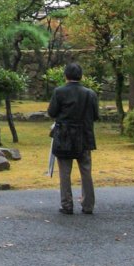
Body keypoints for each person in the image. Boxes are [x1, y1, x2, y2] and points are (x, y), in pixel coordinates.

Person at [47, 62, 99, 215]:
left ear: (66, 76)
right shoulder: (90, 94)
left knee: (64, 172)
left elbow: (52, 112)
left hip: (64, 136)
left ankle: (67, 204)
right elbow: (95, 116)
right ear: (81, 76)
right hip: (84, 136)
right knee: (86, 171)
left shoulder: (59, 92)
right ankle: (88, 205)